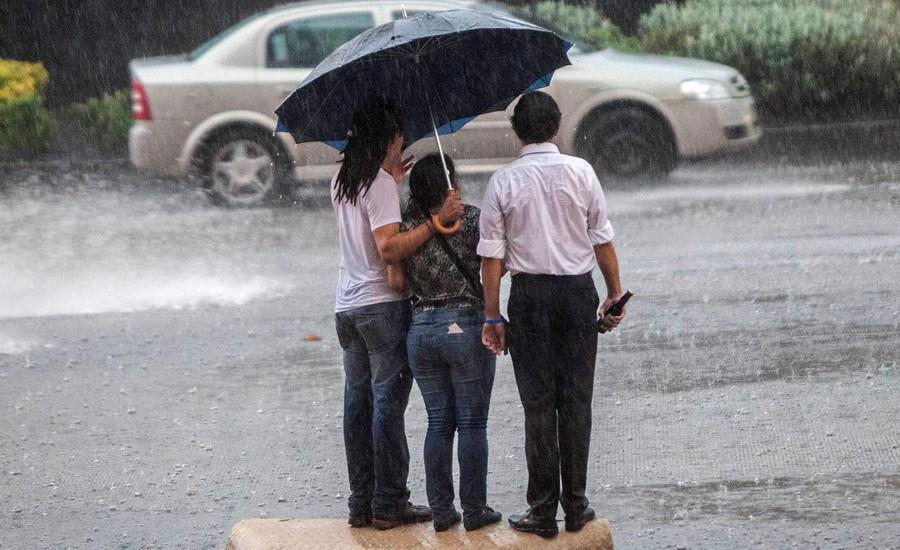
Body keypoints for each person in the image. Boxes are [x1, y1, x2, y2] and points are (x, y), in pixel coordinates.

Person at [478, 91, 626, 538]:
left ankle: (542, 510)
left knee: (538, 405)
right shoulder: (581, 172)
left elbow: (491, 258)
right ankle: (577, 506)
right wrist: (614, 292)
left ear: (517, 132)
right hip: (578, 294)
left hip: (529, 297)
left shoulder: (502, 183)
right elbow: (601, 240)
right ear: (557, 127)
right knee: (577, 403)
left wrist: (492, 316)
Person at [330, 99, 463, 530]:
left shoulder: (342, 179)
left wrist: (391, 179)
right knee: (387, 403)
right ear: (387, 139)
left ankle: (361, 501)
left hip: (347, 306)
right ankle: (389, 501)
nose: (402, 144)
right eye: (400, 138)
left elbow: (366, 226)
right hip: (379, 307)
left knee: (358, 402)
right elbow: (388, 248)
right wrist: (434, 224)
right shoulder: (379, 184)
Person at [387, 154, 502, 533]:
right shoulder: (471, 218)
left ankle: (441, 511)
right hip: (465, 327)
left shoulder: (408, 227)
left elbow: (399, 284)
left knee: (439, 422)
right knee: (471, 422)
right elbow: (497, 263)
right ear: (449, 183)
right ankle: (475, 510)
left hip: (420, 332)